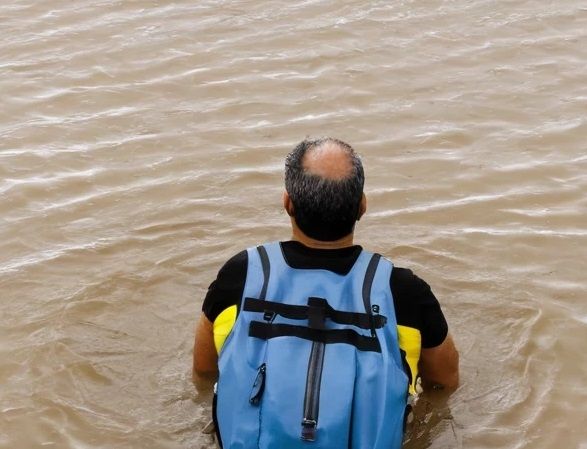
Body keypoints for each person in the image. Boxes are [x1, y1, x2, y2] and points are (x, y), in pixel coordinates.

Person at [193, 137, 459, 449]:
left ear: (287, 203)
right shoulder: (405, 292)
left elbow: (204, 371)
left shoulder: (239, 276)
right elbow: (445, 383)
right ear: (362, 205)